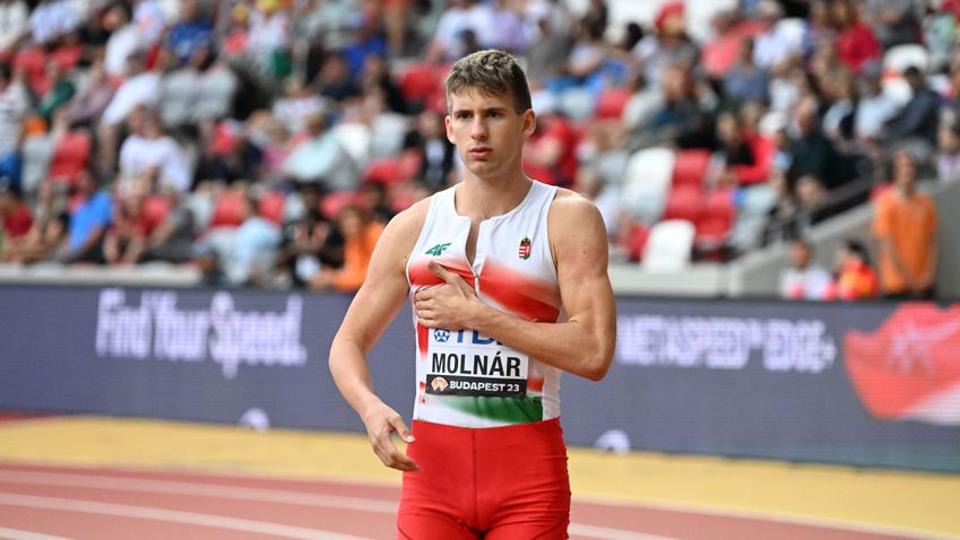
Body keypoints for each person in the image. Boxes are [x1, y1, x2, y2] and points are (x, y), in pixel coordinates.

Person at [328, 50, 616, 538]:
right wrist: (369, 408)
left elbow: (594, 353)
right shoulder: (412, 226)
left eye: (494, 114)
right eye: (465, 116)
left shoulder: (567, 218)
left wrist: (478, 315)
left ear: (526, 123)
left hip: (527, 478)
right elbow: (346, 344)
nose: (478, 131)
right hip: (432, 478)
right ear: (448, 127)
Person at [872, 151, 938, 299]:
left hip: (925, 283)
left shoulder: (926, 202)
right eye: (902, 167)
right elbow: (887, 245)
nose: (907, 170)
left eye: (910, 166)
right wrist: (910, 281)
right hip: (896, 285)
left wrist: (930, 274)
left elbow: (932, 241)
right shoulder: (885, 203)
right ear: (894, 172)